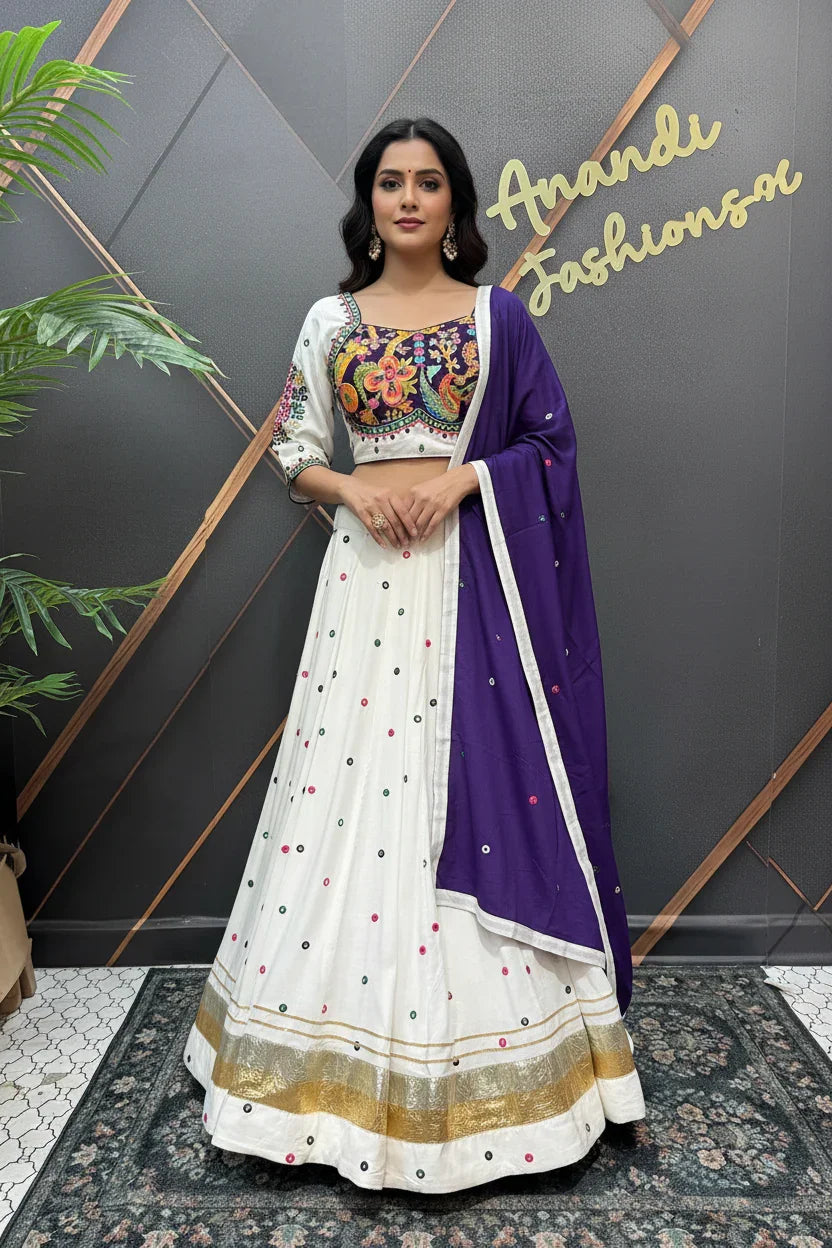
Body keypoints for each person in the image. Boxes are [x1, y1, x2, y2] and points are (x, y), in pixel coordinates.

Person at [183, 116, 646, 1194]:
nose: (406, 199)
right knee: (347, 794)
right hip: (364, 585)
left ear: (454, 204)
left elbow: (547, 444)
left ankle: (511, 1073)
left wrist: (460, 481)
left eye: (427, 182)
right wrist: (354, 490)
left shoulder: (497, 318)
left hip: (471, 581)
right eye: (389, 182)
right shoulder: (330, 321)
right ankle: (313, 1072)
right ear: (369, 202)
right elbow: (292, 447)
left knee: (468, 786)